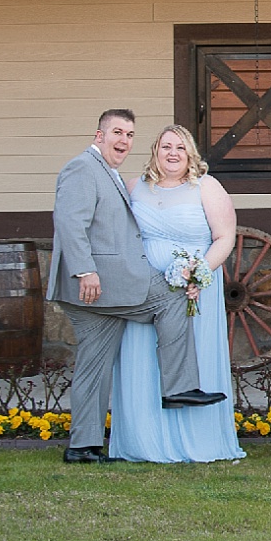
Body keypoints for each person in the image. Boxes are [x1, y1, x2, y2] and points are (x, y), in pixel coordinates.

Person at [46, 109, 224, 464]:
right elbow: (69, 222)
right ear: (99, 135)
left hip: (100, 293)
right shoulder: (83, 167)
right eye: (116, 132)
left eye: (129, 135)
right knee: (173, 297)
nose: (123, 141)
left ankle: (82, 446)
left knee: (93, 365)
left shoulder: (109, 172)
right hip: (97, 284)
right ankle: (178, 387)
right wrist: (85, 271)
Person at [108, 125, 245, 463]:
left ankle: (199, 442)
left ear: (190, 155)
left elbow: (225, 238)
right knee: (143, 357)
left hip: (193, 289)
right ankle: (144, 441)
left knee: (192, 355)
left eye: (180, 148)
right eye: (166, 146)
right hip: (143, 288)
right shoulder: (134, 187)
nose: (172, 153)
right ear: (155, 151)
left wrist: (200, 273)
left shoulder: (207, 187)